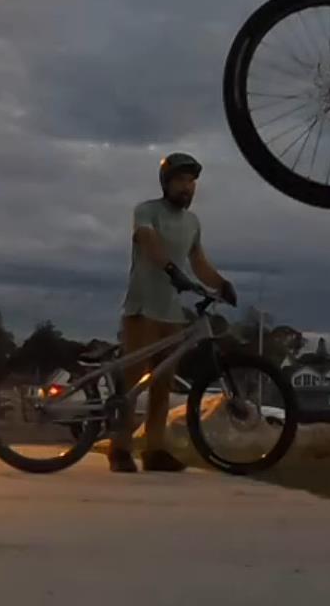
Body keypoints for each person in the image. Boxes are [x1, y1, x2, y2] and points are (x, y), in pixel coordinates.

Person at [109, 151, 237, 474]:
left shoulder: (192, 223)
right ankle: (120, 448)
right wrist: (170, 268)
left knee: (163, 384)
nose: (187, 187)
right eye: (181, 180)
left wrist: (221, 284)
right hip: (143, 307)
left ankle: (155, 450)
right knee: (133, 381)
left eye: (192, 182)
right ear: (166, 182)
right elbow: (149, 242)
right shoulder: (146, 211)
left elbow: (198, 262)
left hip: (172, 312)